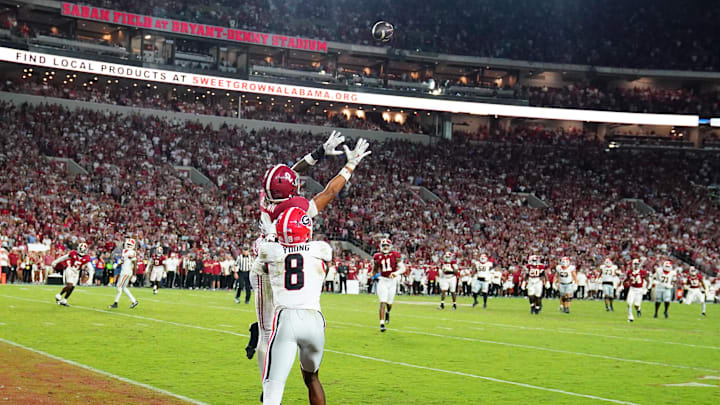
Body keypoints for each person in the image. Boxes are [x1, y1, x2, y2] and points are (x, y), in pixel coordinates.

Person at [255, 208, 331, 405]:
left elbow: (261, 266)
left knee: (273, 387)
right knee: (312, 378)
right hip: (315, 321)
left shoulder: (270, 251)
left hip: (286, 319)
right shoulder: (321, 249)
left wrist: (271, 235)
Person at [372, 238, 404, 332]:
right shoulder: (377, 256)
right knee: (382, 302)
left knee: (389, 304)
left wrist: (396, 273)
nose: (385, 247)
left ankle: (387, 312)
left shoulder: (395, 255)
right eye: (383, 245)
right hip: (383, 280)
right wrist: (372, 275)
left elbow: (403, 268)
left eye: (387, 245)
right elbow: (375, 268)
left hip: (392, 281)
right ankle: (381, 324)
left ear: (390, 246)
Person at [52, 242, 92, 306]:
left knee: (72, 287)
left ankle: (64, 300)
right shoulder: (73, 253)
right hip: (70, 269)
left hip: (77, 272)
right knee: (69, 285)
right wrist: (55, 262)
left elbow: (91, 269)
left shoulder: (87, 257)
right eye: (81, 249)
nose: (82, 251)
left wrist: (90, 279)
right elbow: (64, 258)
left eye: (83, 250)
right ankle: (59, 295)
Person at [108, 238, 139, 309]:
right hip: (124, 271)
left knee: (119, 286)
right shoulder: (125, 251)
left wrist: (134, 275)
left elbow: (134, 263)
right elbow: (122, 261)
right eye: (127, 244)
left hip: (126, 271)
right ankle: (134, 301)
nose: (128, 245)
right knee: (124, 288)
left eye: (130, 244)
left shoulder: (131, 252)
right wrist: (117, 264)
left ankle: (116, 303)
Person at [626, 258, 648, 322]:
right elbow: (627, 279)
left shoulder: (642, 272)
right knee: (629, 303)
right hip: (632, 289)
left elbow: (647, 280)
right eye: (635, 264)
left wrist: (646, 288)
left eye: (637, 264)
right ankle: (630, 317)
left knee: (636, 305)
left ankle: (638, 309)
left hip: (639, 290)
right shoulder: (630, 272)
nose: (636, 265)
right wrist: (625, 283)